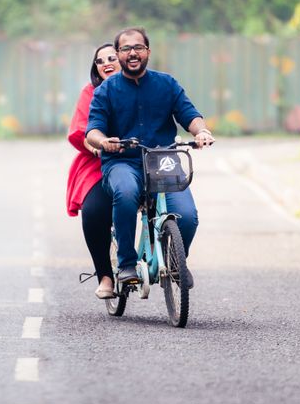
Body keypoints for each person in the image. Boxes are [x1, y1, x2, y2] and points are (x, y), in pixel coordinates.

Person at [85, 27, 214, 286]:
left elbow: (190, 115)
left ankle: (176, 260)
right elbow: (93, 130)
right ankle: (126, 264)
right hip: (122, 161)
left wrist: (202, 132)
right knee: (125, 192)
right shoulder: (106, 90)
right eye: (126, 49)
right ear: (119, 54)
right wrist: (104, 141)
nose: (133, 53)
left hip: (163, 161)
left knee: (187, 216)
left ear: (148, 51)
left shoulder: (167, 84)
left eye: (138, 48)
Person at [66, 43, 121, 299]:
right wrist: (99, 147)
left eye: (112, 57)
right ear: (96, 68)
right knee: (94, 211)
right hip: (99, 163)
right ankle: (105, 275)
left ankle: (172, 256)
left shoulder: (147, 87)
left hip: (142, 159)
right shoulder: (91, 93)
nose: (107, 63)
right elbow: (80, 131)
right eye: (101, 61)